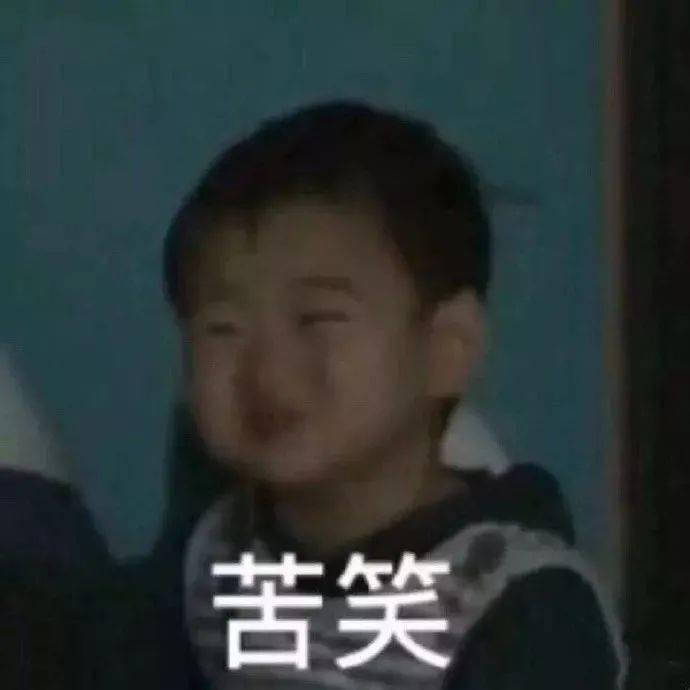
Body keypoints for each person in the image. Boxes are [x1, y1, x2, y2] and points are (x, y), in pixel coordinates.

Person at [161, 100, 626, 689]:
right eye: (223, 329)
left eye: (319, 319)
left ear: (446, 348)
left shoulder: (523, 605)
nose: (267, 370)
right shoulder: (209, 558)